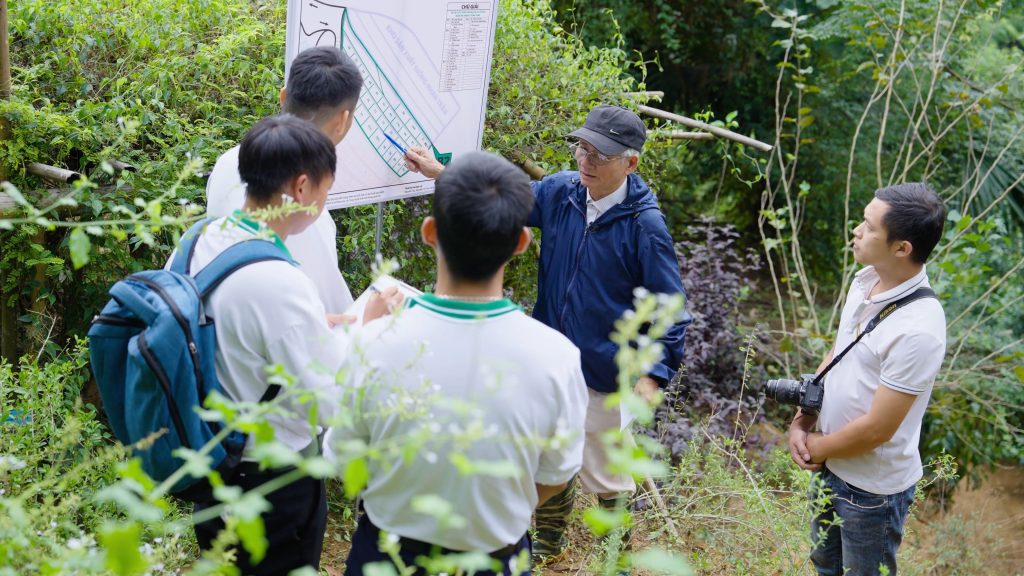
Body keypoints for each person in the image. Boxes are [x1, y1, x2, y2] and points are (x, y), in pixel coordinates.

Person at [405, 105, 692, 570]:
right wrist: (443, 172)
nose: (586, 160)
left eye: (600, 153)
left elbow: (671, 309)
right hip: (549, 359)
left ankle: (612, 559)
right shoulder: (562, 192)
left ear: (630, 163)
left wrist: (653, 377)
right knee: (544, 456)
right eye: (581, 146)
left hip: (606, 371)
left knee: (607, 475)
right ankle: (549, 545)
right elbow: (501, 199)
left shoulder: (645, 227)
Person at [328, 151, 589, 576]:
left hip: (386, 559)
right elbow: (555, 475)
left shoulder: (374, 343)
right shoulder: (558, 357)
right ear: (522, 241)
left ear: (429, 232)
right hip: (495, 557)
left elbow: (343, 462)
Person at [182, 114, 397, 574]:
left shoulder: (199, 240)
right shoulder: (281, 282)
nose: (323, 200)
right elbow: (329, 404)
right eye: (325, 189)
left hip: (207, 456)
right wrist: (367, 322)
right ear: (301, 188)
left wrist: (308, 328)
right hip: (267, 477)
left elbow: (224, 327)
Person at [788, 183, 947, 575]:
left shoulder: (919, 328)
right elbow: (838, 354)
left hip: (871, 492)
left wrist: (818, 446)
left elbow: (879, 428)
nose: (856, 230)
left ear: (901, 248)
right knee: (825, 566)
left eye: (869, 225)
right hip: (830, 465)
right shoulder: (865, 281)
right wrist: (802, 418)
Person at [206, 46, 363, 314]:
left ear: (283, 96)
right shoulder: (302, 209)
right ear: (343, 120)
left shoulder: (228, 160)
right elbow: (325, 309)